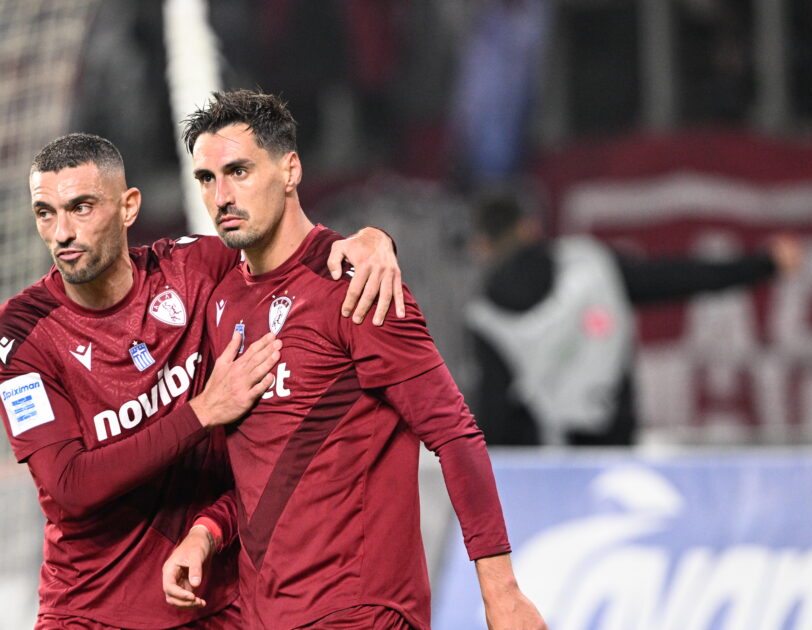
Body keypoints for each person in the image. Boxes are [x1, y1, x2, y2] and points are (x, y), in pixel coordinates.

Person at [0, 132, 404, 629]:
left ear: (128, 207)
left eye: (81, 207)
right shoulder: (17, 334)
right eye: (45, 213)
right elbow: (71, 485)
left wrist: (370, 240)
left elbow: (289, 253)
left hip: (216, 600)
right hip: (90, 609)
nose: (63, 233)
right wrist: (202, 412)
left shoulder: (195, 270)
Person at [161, 90, 547, 630]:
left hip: (362, 611)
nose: (221, 195)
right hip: (267, 616)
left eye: (239, 171)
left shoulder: (358, 285)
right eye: (206, 178)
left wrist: (501, 590)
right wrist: (205, 533)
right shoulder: (224, 302)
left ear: (290, 170)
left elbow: (455, 434)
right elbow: (253, 473)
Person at [464, 188, 803, 446]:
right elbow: (680, 277)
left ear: (481, 246)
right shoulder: (592, 264)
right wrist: (764, 265)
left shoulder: (485, 316)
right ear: (530, 229)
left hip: (542, 469)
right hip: (614, 454)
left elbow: (495, 415)